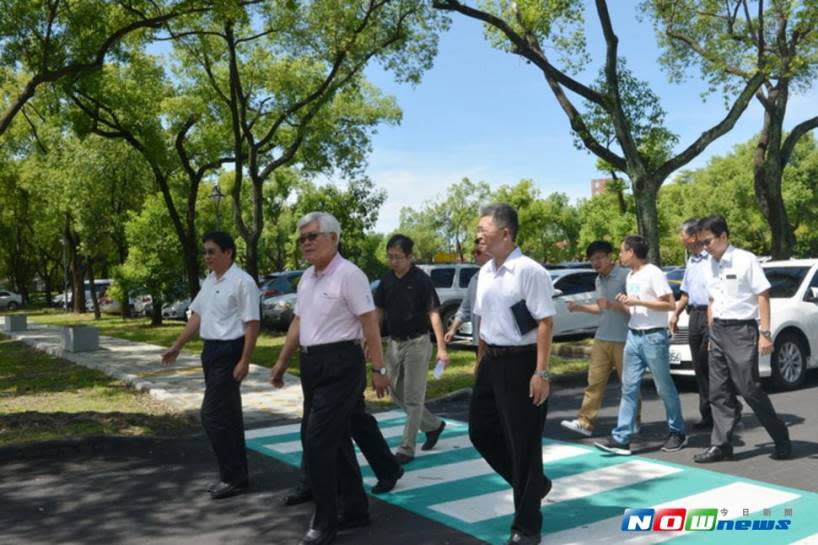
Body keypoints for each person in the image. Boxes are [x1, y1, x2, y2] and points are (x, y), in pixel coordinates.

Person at [270, 212, 391, 545]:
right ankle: (354, 510)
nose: (306, 242)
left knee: (317, 442)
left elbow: (370, 323)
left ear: (334, 238)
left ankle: (324, 522)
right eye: (302, 238)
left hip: (342, 363)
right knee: (335, 441)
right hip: (312, 364)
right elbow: (298, 322)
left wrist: (379, 370)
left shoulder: (350, 275)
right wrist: (282, 361)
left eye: (313, 235)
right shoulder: (307, 278)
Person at [471, 203, 555, 545]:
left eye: (483, 229)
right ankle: (534, 484)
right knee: (480, 431)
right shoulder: (486, 273)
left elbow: (545, 322)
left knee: (523, 445)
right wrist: (480, 364)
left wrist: (542, 373)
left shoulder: (528, 270)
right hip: (491, 361)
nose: (478, 235)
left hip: (522, 363)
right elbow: (484, 324)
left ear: (505, 233)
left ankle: (526, 527)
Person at [161, 231, 260, 500]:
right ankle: (237, 476)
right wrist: (177, 346)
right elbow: (197, 315)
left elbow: (252, 323)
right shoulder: (210, 281)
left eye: (212, 251)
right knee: (228, 416)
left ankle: (232, 476)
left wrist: (245, 360)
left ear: (228, 252)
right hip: (211, 351)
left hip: (230, 352)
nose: (207, 257)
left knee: (212, 415)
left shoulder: (243, 282)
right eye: (205, 252)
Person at [693, 214, 791, 463]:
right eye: (701, 243)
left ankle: (780, 437)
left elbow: (763, 295)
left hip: (742, 331)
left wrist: (765, 333)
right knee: (718, 392)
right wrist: (711, 326)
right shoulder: (708, 264)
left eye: (708, 241)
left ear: (723, 236)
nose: (705, 247)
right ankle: (721, 445)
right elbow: (713, 298)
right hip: (717, 332)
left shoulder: (745, 259)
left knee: (749, 389)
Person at [594, 235, 687, 456]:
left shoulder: (652, 272)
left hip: (653, 337)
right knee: (628, 387)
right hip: (633, 336)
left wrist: (637, 301)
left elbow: (669, 304)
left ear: (632, 252)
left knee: (663, 388)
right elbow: (633, 310)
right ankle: (622, 438)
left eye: (622, 251)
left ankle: (678, 432)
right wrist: (621, 304)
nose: (620, 255)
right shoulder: (631, 276)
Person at [374, 234, 449, 464]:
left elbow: (434, 313)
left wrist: (442, 348)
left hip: (418, 342)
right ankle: (433, 426)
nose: (393, 261)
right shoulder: (386, 281)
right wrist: (372, 340)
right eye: (390, 257)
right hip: (394, 344)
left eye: (398, 257)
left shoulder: (421, 280)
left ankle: (407, 448)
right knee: (395, 392)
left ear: (409, 257)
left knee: (414, 396)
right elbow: (378, 312)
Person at [669, 218, 742, 430]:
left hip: (712, 314)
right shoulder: (691, 261)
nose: (680, 238)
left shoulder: (712, 259)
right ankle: (708, 415)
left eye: (682, 234)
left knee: (714, 367)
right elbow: (685, 294)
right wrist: (675, 314)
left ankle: (730, 409)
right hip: (695, 316)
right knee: (699, 369)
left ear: (693, 236)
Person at [560, 240, 632, 437]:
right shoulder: (598, 280)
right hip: (602, 337)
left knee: (628, 385)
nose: (596, 263)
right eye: (592, 260)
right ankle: (585, 422)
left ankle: (633, 422)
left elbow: (634, 308)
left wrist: (611, 305)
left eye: (599, 258)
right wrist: (579, 307)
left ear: (611, 257)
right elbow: (601, 308)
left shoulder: (626, 276)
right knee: (594, 382)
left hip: (624, 338)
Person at [444, 237, 490, 346]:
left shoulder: (503, 277)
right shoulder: (475, 279)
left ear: (490, 252)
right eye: (473, 252)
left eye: (478, 252)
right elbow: (465, 309)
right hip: (479, 343)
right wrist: (452, 329)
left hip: (500, 345)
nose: (474, 255)